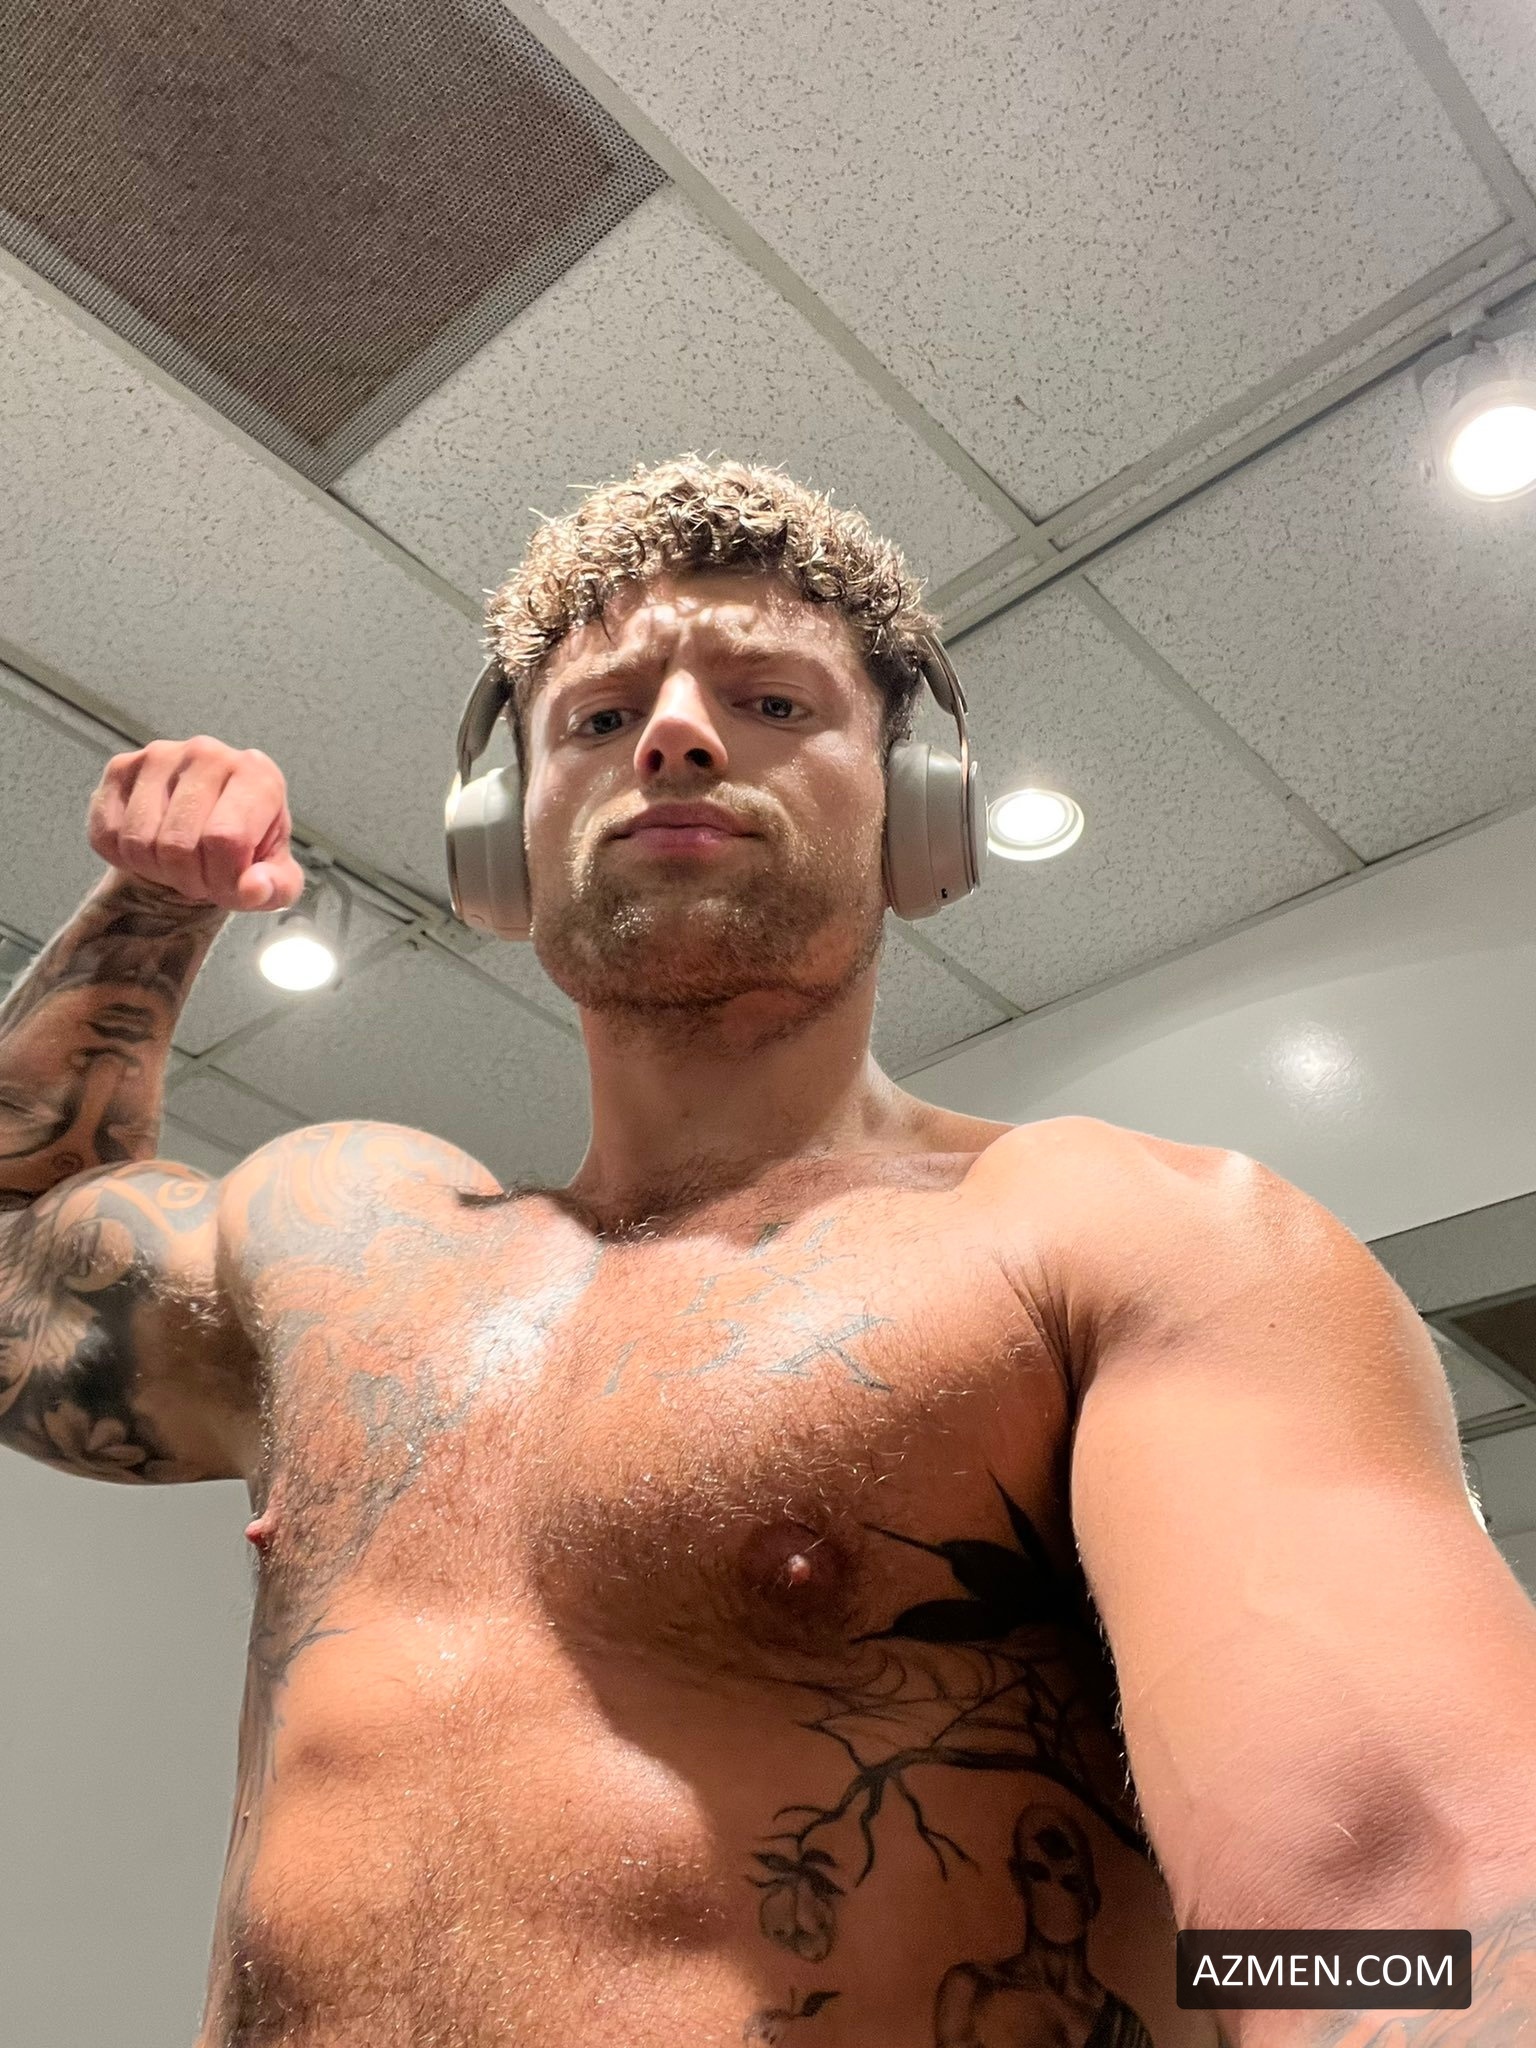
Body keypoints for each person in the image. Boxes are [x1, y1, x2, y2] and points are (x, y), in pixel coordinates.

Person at [0, 456, 1532, 2048]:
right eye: (599, 718)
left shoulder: (1118, 1242)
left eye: (774, 702)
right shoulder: (342, 1248)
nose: (673, 736)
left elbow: (1409, 1897)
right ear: (503, 835)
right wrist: (148, 908)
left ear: (917, 810)